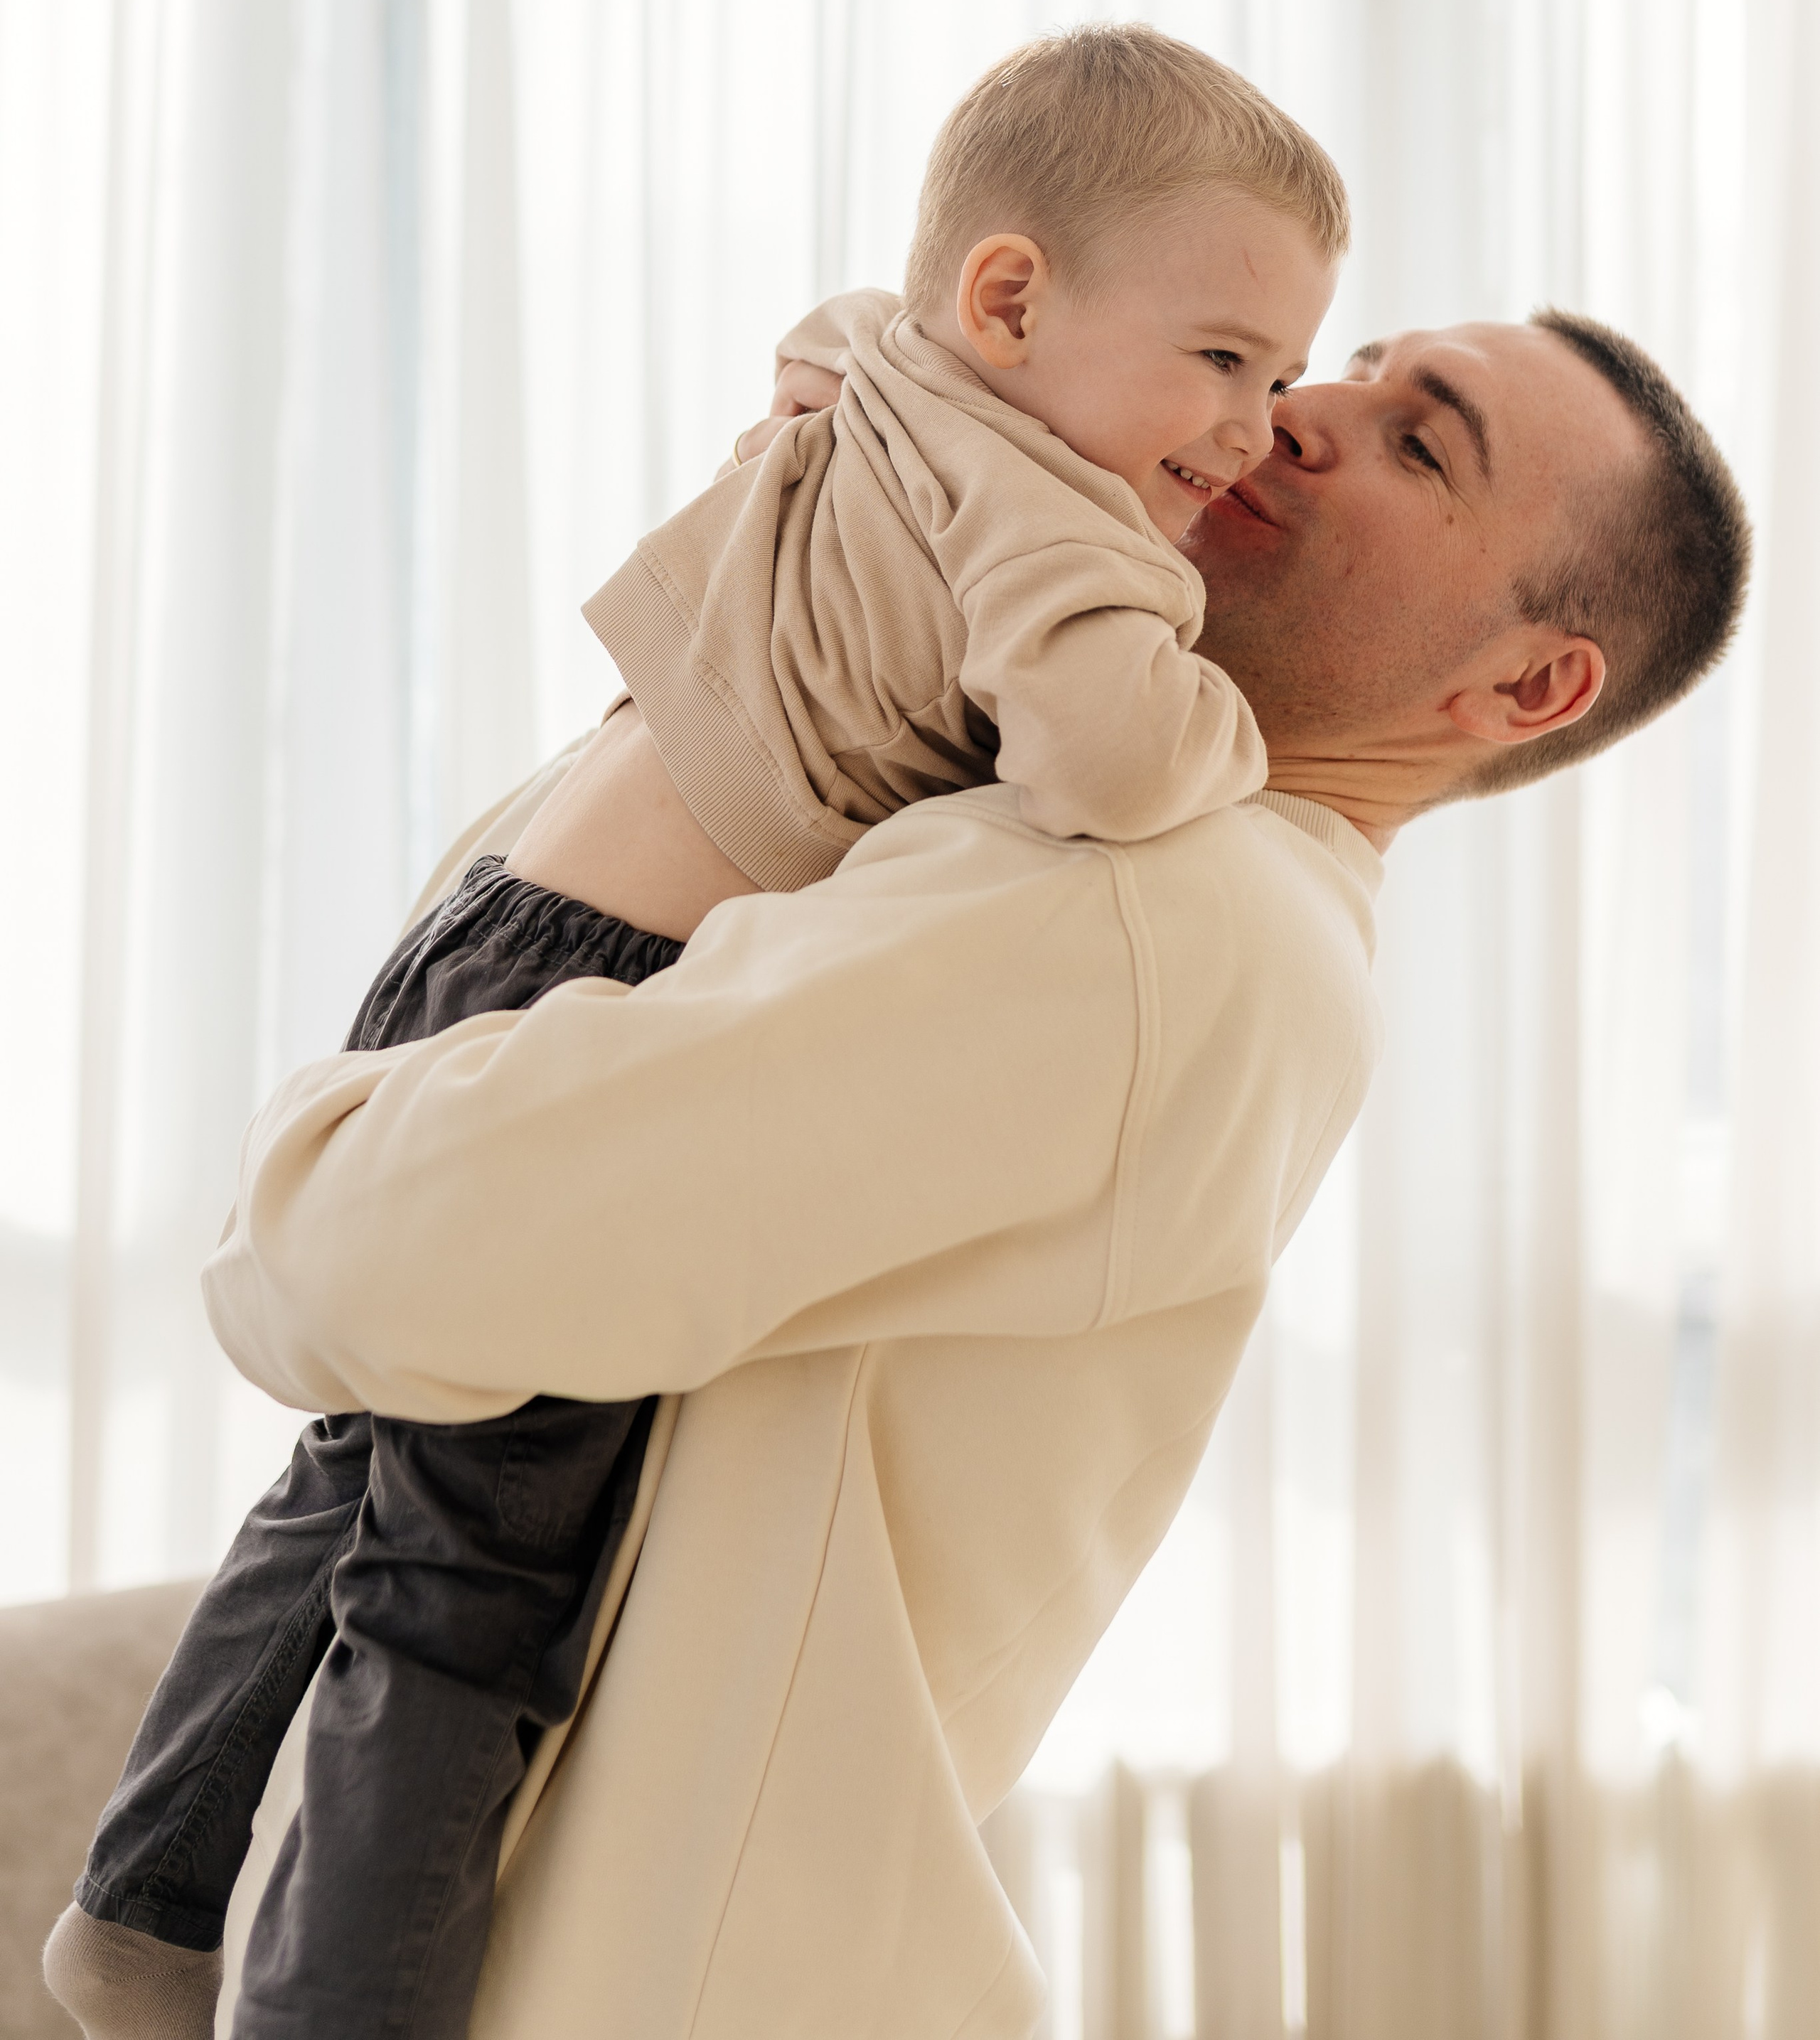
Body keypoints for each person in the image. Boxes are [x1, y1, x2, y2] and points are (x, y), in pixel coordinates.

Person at [156, 301, 1755, 2036]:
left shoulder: (1163, 914)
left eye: (1420, 441)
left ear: (1523, 687)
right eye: (1348, 365)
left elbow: (335, 1254)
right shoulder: (1125, 868)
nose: (1303, 410)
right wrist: (782, 589)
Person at [46, 28, 1351, 2040]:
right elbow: (1106, 753)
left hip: (490, 928)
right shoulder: (1069, 540)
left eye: (1280, 376)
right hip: (608, 979)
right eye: (1228, 362)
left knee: (359, 1470)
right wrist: (1232, 736)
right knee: (465, 1597)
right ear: (1012, 296)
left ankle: (149, 1902)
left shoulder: (900, 371)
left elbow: (838, 325)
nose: (1258, 430)